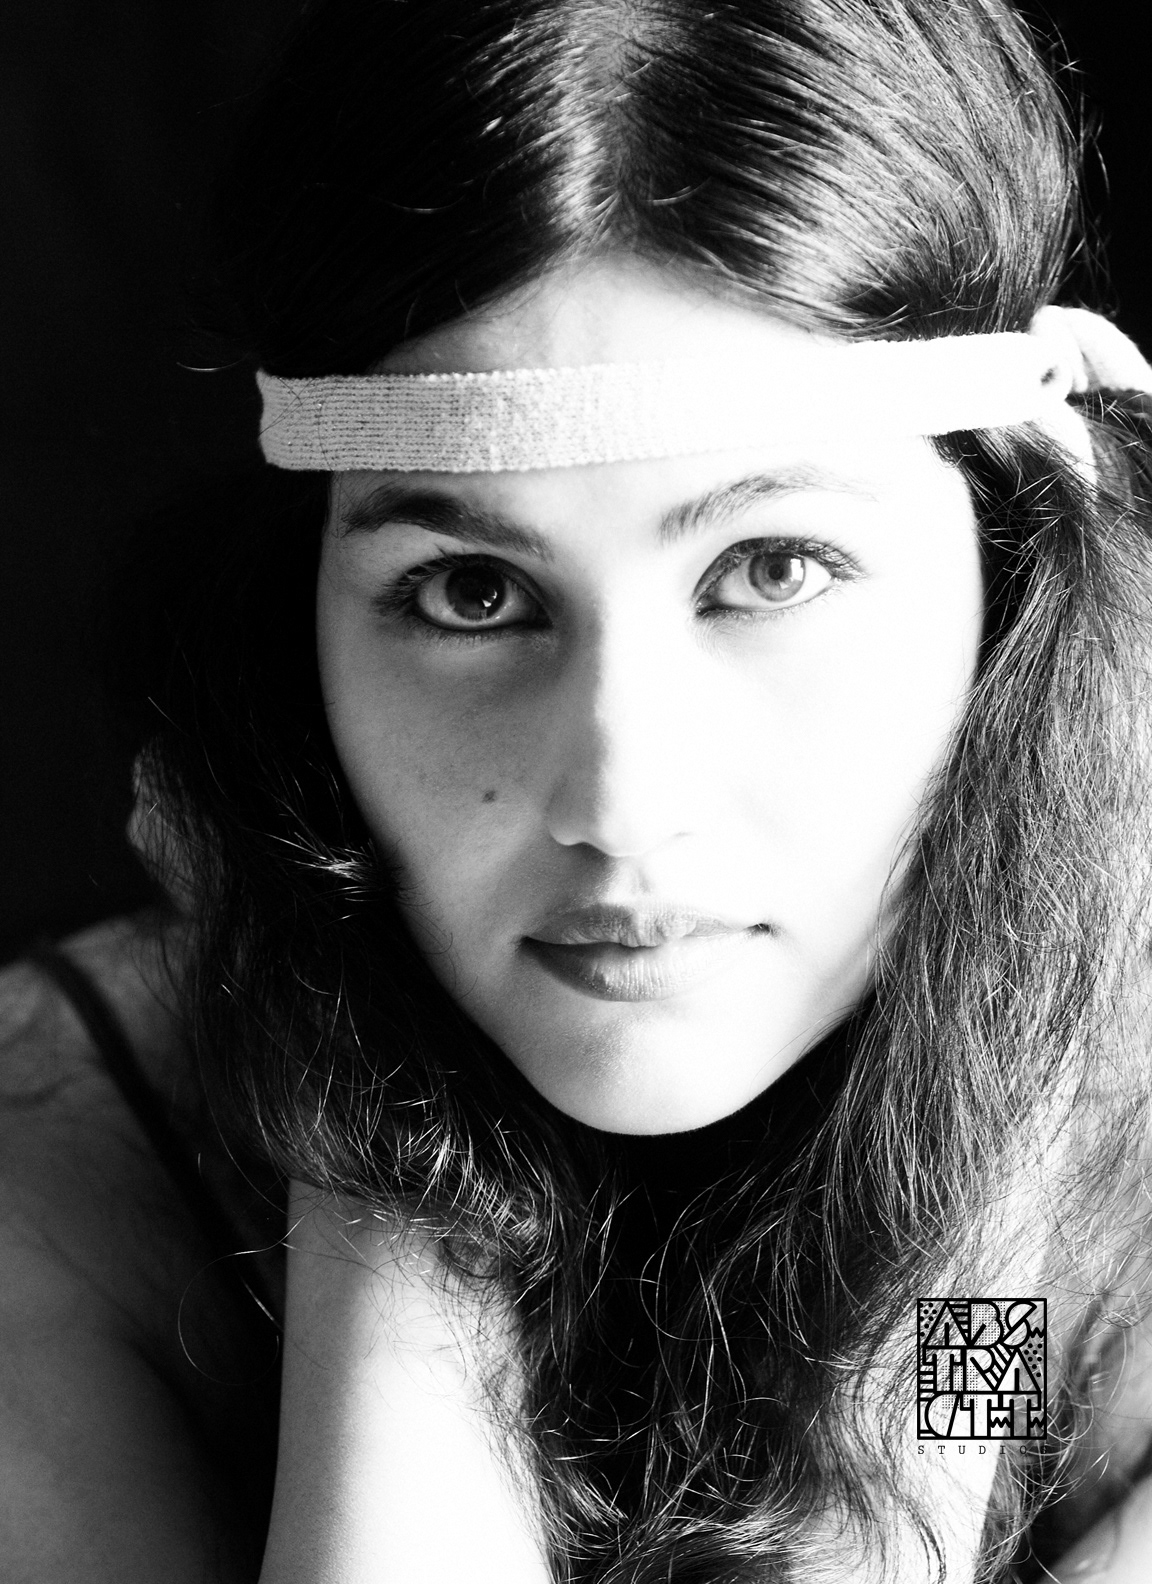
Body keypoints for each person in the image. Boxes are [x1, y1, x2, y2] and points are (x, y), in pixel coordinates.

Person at [5, 0, 1152, 1579]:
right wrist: (383, 1162)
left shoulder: (1116, 1162)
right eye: (471, 593)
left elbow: (942, 1455)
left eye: (774, 568)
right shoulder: (57, 1158)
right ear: (295, 639)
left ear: (1009, 590)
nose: (619, 803)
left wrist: (983, 1137)